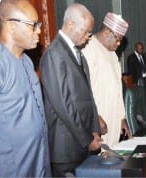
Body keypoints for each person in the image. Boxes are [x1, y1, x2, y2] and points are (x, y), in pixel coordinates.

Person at [0, 0, 51, 176]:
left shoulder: (27, 61)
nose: (39, 30)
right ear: (11, 26)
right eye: (33, 25)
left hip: (38, 161)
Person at [39, 3, 102, 176]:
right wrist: (88, 139)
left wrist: (94, 130)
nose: (88, 36)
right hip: (66, 148)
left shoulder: (77, 53)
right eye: (86, 31)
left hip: (81, 142)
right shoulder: (54, 54)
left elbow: (87, 97)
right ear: (70, 24)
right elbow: (64, 105)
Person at [82, 12, 131, 147]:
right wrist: (95, 117)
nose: (119, 43)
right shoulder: (88, 48)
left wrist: (122, 117)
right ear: (106, 32)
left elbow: (118, 89)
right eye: (117, 39)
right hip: (99, 119)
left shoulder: (113, 55)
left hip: (114, 118)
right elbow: (84, 89)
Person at [127, 42, 146, 111]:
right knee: (140, 100)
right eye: (139, 48)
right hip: (138, 82)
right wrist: (134, 83)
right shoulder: (131, 57)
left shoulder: (143, 56)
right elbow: (130, 72)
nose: (141, 50)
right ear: (135, 48)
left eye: (142, 48)